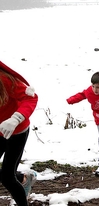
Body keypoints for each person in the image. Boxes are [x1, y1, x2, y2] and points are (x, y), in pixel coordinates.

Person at [0, 61, 38, 205]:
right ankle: (24, 178)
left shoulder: (4, 80)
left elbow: (31, 97)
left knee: (7, 178)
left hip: (16, 131)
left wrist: (15, 119)